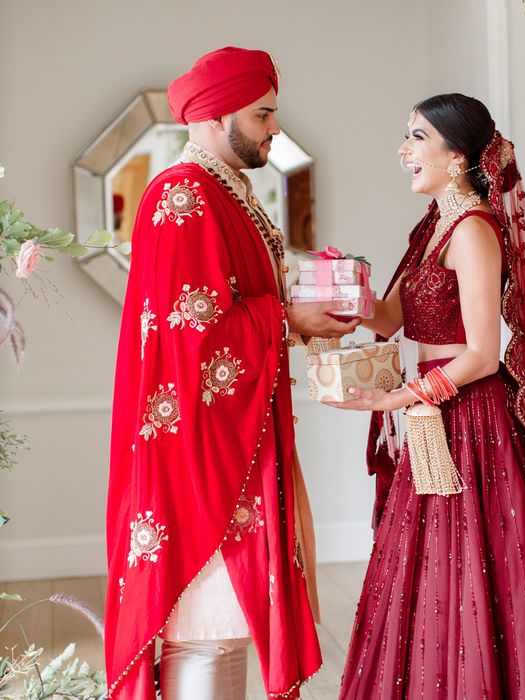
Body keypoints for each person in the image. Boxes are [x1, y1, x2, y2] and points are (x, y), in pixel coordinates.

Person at [104, 47, 359, 700]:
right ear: (219, 116)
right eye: (264, 114)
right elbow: (197, 337)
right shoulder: (183, 193)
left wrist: (302, 316)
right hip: (203, 457)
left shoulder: (226, 191)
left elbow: (233, 309)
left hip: (233, 443)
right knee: (209, 626)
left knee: (225, 629)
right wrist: (290, 315)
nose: (275, 128)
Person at [328, 94, 525, 698]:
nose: (404, 150)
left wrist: (396, 400)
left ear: (457, 156)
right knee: (425, 565)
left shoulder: (474, 230)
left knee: (473, 563)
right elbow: (392, 317)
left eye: (417, 137)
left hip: (470, 421)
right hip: (434, 411)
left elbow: (480, 352)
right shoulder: (433, 226)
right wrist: (342, 286)